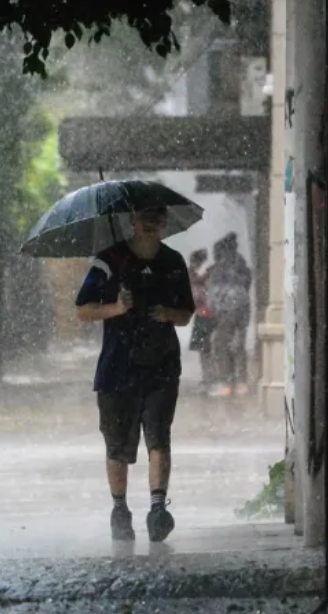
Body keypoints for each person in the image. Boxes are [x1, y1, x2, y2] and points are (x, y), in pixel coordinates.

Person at [75, 205, 195, 543]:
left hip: (162, 365)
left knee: (159, 436)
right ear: (132, 221)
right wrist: (116, 307)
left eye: (156, 217)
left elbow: (186, 314)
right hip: (117, 368)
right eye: (144, 216)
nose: (150, 223)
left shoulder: (173, 262)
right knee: (117, 444)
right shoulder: (109, 260)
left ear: (164, 221)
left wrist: (168, 313)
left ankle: (158, 510)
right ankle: (120, 509)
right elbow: (83, 310)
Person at [206, 233, 252, 397]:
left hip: (227, 309)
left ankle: (226, 382)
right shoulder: (241, 264)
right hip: (243, 308)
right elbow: (246, 283)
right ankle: (241, 382)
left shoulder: (220, 267)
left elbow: (214, 291)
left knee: (222, 345)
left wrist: (212, 307)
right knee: (239, 344)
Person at [187, 249, 216, 391]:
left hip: (205, 314)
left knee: (206, 350)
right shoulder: (192, 275)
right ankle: (208, 379)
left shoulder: (196, 276)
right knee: (206, 349)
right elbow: (196, 290)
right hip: (204, 314)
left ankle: (208, 379)